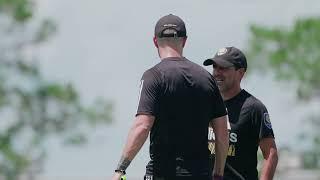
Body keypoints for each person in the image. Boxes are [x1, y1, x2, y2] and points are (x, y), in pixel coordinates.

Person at [111, 14, 229, 180]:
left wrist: (121, 169)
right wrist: (218, 173)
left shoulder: (153, 76)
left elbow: (142, 126)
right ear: (185, 41)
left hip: (162, 174)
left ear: (155, 41)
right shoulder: (206, 78)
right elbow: (222, 132)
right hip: (199, 174)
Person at [204, 47, 278, 180]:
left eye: (224, 68)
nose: (217, 73)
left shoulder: (254, 108)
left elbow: (270, 154)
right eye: (215, 67)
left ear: (241, 73)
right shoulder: (204, 104)